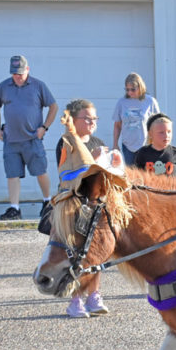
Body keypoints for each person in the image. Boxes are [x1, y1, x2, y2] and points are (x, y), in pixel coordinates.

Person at [54, 99, 109, 318]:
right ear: (73, 120)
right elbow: (66, 174)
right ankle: (75, 299)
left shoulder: (98, 141)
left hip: (94, 204)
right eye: (87, 118)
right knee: (75, 253)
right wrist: (91, 161)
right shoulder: (67, 141)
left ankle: (93, 295)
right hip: (73, 203)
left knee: (95, 253)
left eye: (94, 118)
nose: (92, 122)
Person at [0, 55, 58, 220]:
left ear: (27, 69)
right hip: (11, 140)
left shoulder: (38, 86)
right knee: (12, 174)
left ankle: (47, 202)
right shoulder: (4, 86)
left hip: (32, 139)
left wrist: (44, 127)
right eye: (14, 73)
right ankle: (15, 208)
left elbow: (53, 106)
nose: (17, 76)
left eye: (20, 73)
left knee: (40, 171)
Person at [112, 72, 160, 166]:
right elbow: (117, 125)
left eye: (133, 89)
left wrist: (156, 142)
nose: (130, 92)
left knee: (146, 173)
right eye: (127, 90)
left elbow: (158, 123)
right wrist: (115, 144)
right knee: (131, 174)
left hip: (145, 144)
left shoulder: (150, 101)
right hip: (128, 145)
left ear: (140, 87)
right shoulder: (121, 102)